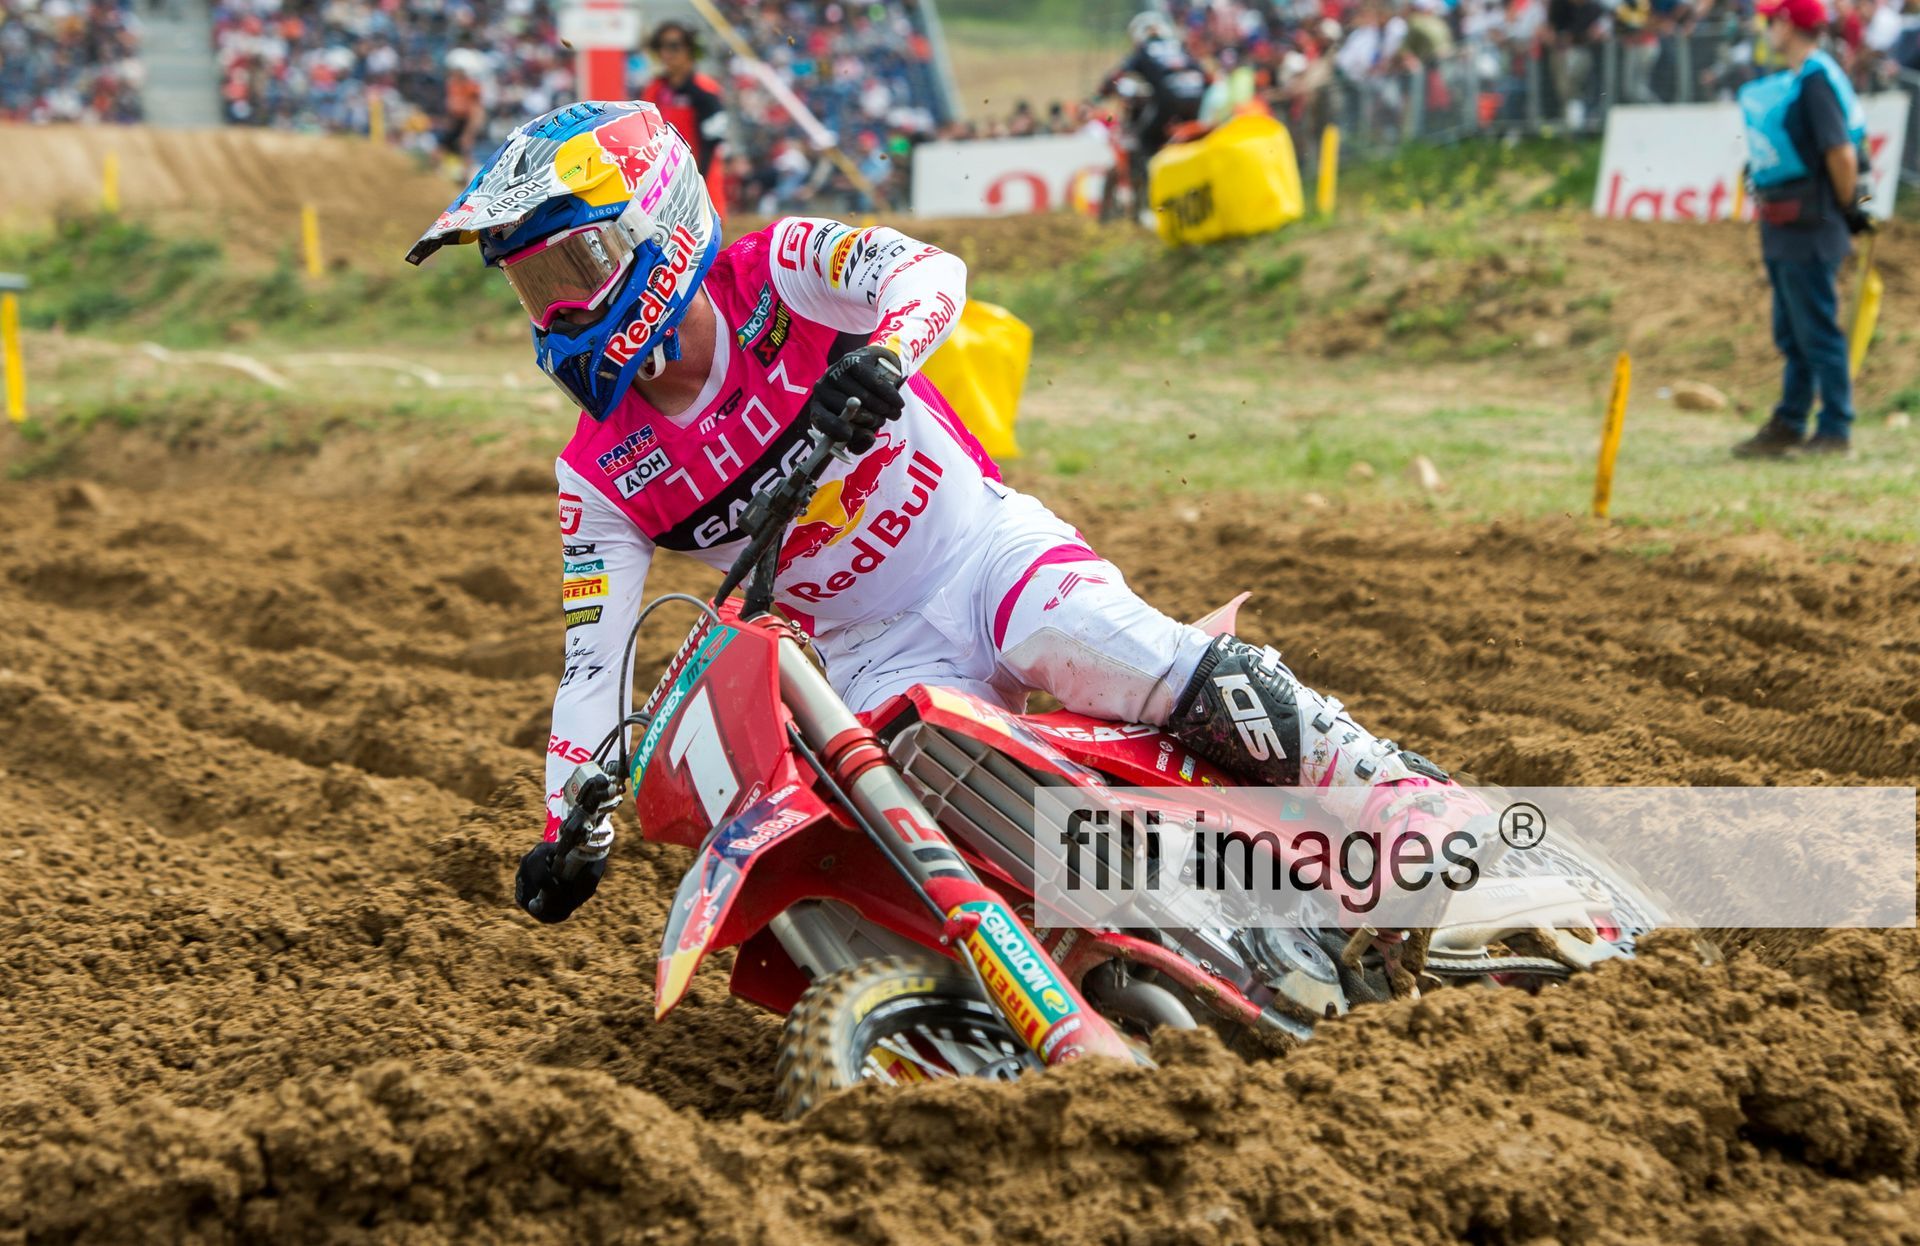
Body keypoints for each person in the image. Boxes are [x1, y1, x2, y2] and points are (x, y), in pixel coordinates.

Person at [403, 101, 1485, 925]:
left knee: (1100, 644)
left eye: (574, 266)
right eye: (533, 287)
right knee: (919, 818)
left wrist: (882, 355)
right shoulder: (599, 474)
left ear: (657, 223)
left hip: (982, 550)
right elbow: (593, 667)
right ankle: (1166, 924)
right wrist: (569, 826)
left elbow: (927, 271)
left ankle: (1397, 799)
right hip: (870, 653)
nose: (556, 311)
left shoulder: (775, 271)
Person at [1731, 0, 1873, 459]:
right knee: (1794, 334)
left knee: (1818, 333)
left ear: (1789, 24)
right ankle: (1791, 422)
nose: (1767, 26)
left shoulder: (1815, 81)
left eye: (1773, 19)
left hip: (1812, 227)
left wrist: (1850, 211)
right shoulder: (1803, 79)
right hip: (1789, 227)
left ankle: (1835, 429)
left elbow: (1842, 153)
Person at [1098, 11, 1211, 182]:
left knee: (1143, 139)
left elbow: (1117, 76)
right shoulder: (1179, 48)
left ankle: (1150, 188)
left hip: (1168, 101)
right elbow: (1207, 77)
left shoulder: (1144, 51)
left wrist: (1101, 93)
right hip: (1197, 100)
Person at [639, 21, 730, 213]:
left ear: (690, 49)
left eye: (674, 46)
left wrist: (695, 186)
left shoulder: (705, 90)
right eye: (661, 46)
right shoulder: (653, 89)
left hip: (700, 192)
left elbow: (712, 144)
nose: (666, 53)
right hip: (661, 192)